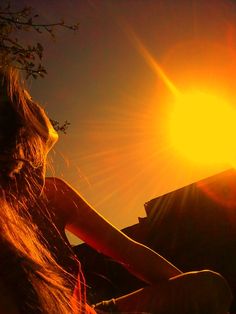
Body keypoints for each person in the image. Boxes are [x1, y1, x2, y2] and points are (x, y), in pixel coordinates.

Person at [0, 66, 233, 314]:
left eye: (42, 159)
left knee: (209, 287)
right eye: (30, 162)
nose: (38, 175)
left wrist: (188, 292)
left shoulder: (55, 195)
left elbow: (128, 251)